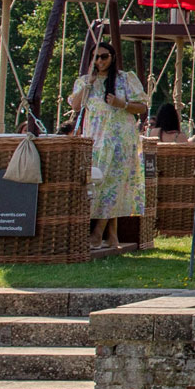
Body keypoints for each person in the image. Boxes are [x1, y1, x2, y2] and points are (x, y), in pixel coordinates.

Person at [67, 41, 146, 254]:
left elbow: (142, 106)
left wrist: (123, 104)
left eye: (104, 56)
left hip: (120, 139)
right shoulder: (85, 81)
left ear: (112, 57)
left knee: (112, 184)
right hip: (95, 139)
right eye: (96, 57)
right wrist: (88, 84)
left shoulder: (124, 79)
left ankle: (98, 233)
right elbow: (75, 106)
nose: (100, 61)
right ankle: (111, 236)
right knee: (101, 183)